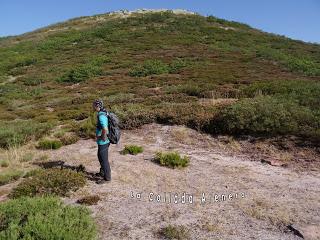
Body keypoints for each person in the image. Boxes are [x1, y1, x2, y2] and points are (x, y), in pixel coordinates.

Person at [92, 99, 111, 183]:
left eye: (94, 105)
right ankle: (102, 173)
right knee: (100, 157)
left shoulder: (101, 115)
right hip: (102, 142)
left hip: (104, 142)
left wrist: (103, 137)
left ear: (97, 106)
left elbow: (105, 128)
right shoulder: (103, 112)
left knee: (104, 160)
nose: (93, 106)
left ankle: (107, 178)